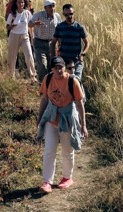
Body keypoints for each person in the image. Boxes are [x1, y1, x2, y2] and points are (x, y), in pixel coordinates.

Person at [37, 56, 88, 193]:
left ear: (64, 67)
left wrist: (83, 125)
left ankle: (67, 177)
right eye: (56, 68)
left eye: (61, 67)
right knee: (49, 150)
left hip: (67, 118)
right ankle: (47, 181)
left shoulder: (72, 81)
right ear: (52, 69)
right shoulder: (48, 79)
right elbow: (44, 99)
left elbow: (79, 103)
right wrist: (40, 117)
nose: (59, 70)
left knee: (67, 150)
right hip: (52, 118)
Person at [53, 4, 90, 81]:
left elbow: (87, 43)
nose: (69, 16)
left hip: (77, 60)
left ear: (74, 12)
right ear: (63, 15)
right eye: (66, 14)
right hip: (63, 61)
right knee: (64, 81)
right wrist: (54, 58)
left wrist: (83, 54)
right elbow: (53, 43)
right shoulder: (60, 27)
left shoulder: (79, 27)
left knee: (76, 81)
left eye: (71, 14)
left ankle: (81, 93)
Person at [30, 0, 62, 82]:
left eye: (53, 6)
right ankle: (42, 85)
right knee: (42, 65)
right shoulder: (38, 15)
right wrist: (35, 24)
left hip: (51, 43)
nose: (52, 8)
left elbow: (59, 31)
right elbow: (29, 24)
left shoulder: (57, 17)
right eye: (50, 7)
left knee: (51, 65)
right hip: (39, 42)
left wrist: (59, 44)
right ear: (45, 8)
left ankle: (50, 85)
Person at [5, 0, 36, 80]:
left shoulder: (27, 13)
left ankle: (33, 75)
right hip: (14, 35)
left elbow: (30, 24)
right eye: (19, 2)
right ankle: (11, 76)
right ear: (16, 3)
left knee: (29, 55)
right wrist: (12, 26)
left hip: (25, 36)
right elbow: (7, 27)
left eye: (22, 2)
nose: (21, 4)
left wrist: (36, 24)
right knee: (12, 56)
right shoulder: (12, 14)